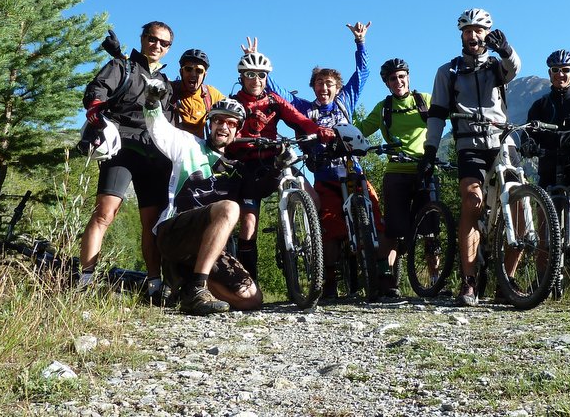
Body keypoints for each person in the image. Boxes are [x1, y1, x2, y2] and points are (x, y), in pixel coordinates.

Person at [266, 21, 391, 298]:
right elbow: (278, 95)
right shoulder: (304, 109)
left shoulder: (346, 100)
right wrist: (265, 71)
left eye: (330, 84)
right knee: (329, 228)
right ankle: (330, 281)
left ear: (337, 88)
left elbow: (363, 73)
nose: (324, 88)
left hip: (354, 171)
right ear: (313, 87)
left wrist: (361, 43)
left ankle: (382, 276)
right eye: (320, 83)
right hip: (324, 177)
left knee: (376, 218)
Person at [420, 8, 521, 306]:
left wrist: (507, 49)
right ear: (461, 36)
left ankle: (508, 280)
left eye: (479, 30)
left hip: (503, 141)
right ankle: (469, 282)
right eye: (468, 31)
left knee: (518, 205)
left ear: (487, 34)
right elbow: (437, 113)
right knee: (471, 201)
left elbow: (514, 68)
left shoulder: (495, 66)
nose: (473, 35)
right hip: (469, 145)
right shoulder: (447, 72)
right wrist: (430, 149)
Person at [142, 85, 263, 315]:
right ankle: (197, 288)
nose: (224, 127)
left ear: (237, 131)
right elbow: (158, 129)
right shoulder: (188, 144)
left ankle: (189, 286)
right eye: (219, 120)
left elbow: (260, 188)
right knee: (229, 208)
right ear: (210, 123)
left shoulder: (237, 169)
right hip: (175, 232)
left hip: (208, 249)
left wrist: (278, 167)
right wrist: (152, 102)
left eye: (231, 123)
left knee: (251, 299)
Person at [79, 22, 176, 304]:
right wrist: (99, 120)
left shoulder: (167, 85)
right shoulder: (122, 67)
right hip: (120, 148)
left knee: (152, 223)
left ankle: (154, 285)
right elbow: (95, 93)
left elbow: (168, 124)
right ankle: (84, 282)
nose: (157, 45)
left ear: (168, 48)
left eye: (163, 43)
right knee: (104, 215)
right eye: (152, 39)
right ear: (143, 38)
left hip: (153, 156)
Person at [226, 43, 335, 282]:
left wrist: (319, 130)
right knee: (248, 226)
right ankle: (248, 283)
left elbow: (300, 119)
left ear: (267, 78)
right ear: (242, 77)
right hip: (247, 165)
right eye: (250, 74)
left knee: (313, 199)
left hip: (274, 158)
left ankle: (311, 248)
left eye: (261, 75)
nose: (256, 79)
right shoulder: (234, 102)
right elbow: (224, 131)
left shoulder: (274, 100)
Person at [356, 57, 432, 297]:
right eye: (393, 78)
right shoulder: (384, 108)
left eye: (402, 76)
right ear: (386, 83)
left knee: (431, 231)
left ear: (408, 77)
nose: (398, 81)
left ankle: (435, 280)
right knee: (393, 230)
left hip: (426, 169)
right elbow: (362, 130)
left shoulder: (425, 101)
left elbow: (449, 115)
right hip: (397, 172)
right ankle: (386, 279)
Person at [525, 50, 570, 302]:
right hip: (548, 163)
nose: (561, 74)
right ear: (550, 74)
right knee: (544, 223)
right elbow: (528, 134)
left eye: (565, 70)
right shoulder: (540, 105)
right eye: (556, 70)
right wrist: (529, 145)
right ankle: (543, 278)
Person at [171, 49, 226, 138]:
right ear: (181, 72)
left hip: (198, 148)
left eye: (199, 71)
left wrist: (251, 70)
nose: (193, 74)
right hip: (171, 147)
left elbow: (234, 108)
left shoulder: (210, 94)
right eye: (188, 69)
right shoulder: (170, 89)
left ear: (205, 74)